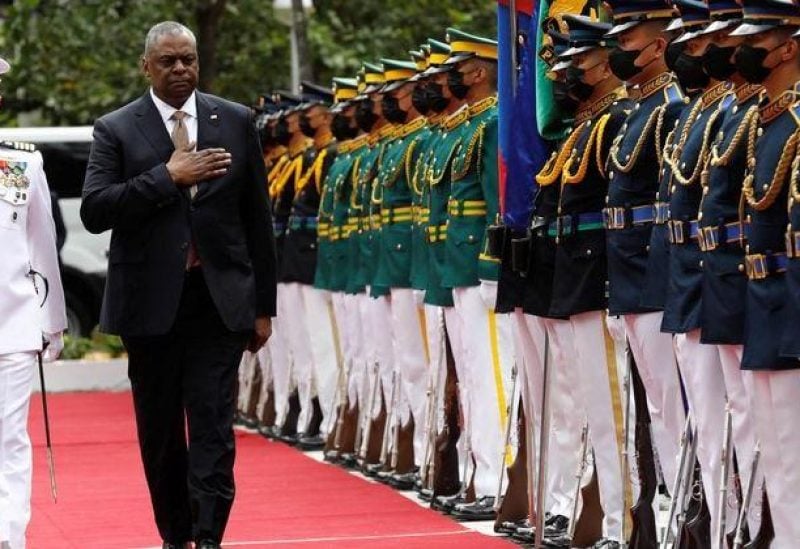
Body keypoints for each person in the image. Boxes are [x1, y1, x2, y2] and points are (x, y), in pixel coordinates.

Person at [80, 21, 277, 549]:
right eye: (168, 61)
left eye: (188, 59)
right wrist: (167, 178)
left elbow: (258, 219)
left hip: (218, 302)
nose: (181, 70)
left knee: (213, 426)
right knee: (162, 433)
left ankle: (209, 537)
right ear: (146, 66)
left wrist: (263, 307)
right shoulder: (116, 129)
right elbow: (96, 210)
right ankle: (177, 536)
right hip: (150, 308)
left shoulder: (234, 121)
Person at [729, 1, 800, 545]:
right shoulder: (766, 122)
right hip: (763, 296)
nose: (743, 51)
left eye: (757, 40)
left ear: (789, 48)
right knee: (774, 445)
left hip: (790, 297)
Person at [0, 56, 67, 549]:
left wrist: (53, 321)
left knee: (9, 440)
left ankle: (9, 537)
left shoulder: (23, 164)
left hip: (13, 323)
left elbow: (43, 243)